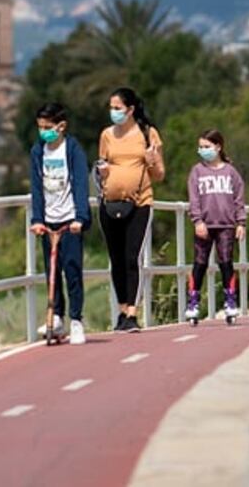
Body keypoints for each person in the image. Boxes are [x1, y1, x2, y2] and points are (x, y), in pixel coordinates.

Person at [96, 87, 165, 332]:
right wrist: (102, 172)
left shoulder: (147, 134)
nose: (113, 113)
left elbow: (159, 175)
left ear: (131, 110)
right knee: (115, 259)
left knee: (131, 257)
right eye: (111, 108)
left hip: (139, 203)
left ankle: (133, 314)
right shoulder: (106, 135)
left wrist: (150, 161)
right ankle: (122, 310)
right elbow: (101, 167)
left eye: (118, 108)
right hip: (109, 203)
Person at [29, 102, 92, 345]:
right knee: (51, 271)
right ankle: (56, 315)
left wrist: (80, 218)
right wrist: (36, 219)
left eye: (48, 127)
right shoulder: (38, 152)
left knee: (72, 270)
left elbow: (80, 186)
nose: (44, 131)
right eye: (40, 127)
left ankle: (76, 320)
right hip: (48, 221)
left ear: (61, 126)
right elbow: (36, 187)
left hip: (70, 219)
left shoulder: (72, 150)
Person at [185, 129, 246, 322]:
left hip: (226, 225)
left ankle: (230, 301)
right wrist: (197, 220)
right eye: (200, 147)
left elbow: (239, 198)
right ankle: (193, 302)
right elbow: (193, 199)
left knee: (226, 262)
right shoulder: (197, 171)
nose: (203, 150)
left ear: (218, 147)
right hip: (204, 225)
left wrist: (241, 222)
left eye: (207, 147)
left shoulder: (231, 172)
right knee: (200, 263)